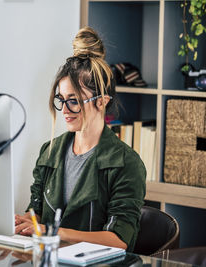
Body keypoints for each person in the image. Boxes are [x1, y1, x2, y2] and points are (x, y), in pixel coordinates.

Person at [14, 26, 146, 252]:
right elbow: (35, 214)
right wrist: (19, 223)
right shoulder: (50, 152)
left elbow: (119, 239)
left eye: (74, 101)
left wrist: (55, 232)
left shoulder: (127, 164)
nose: (64, 110)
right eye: (61, 99)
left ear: (102, 101)